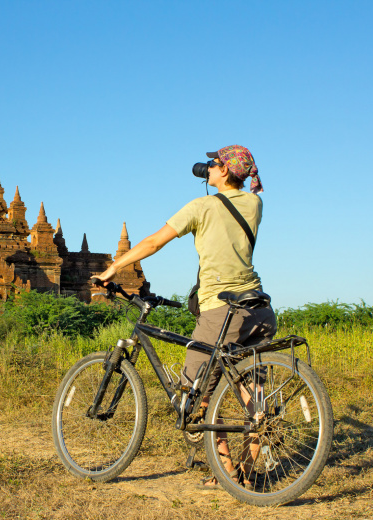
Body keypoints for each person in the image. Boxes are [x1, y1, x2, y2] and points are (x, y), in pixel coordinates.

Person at [96, 144, 277, 490]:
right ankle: (250, 474)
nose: (207, 169)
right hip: (259, 307)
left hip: (221, 309)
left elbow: (153, 242)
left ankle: (225, 473)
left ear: (224, 171)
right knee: (252, 394)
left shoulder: (202, 207)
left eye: (213, 164)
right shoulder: (255, 203)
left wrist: (115, 267)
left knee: (193, 395)